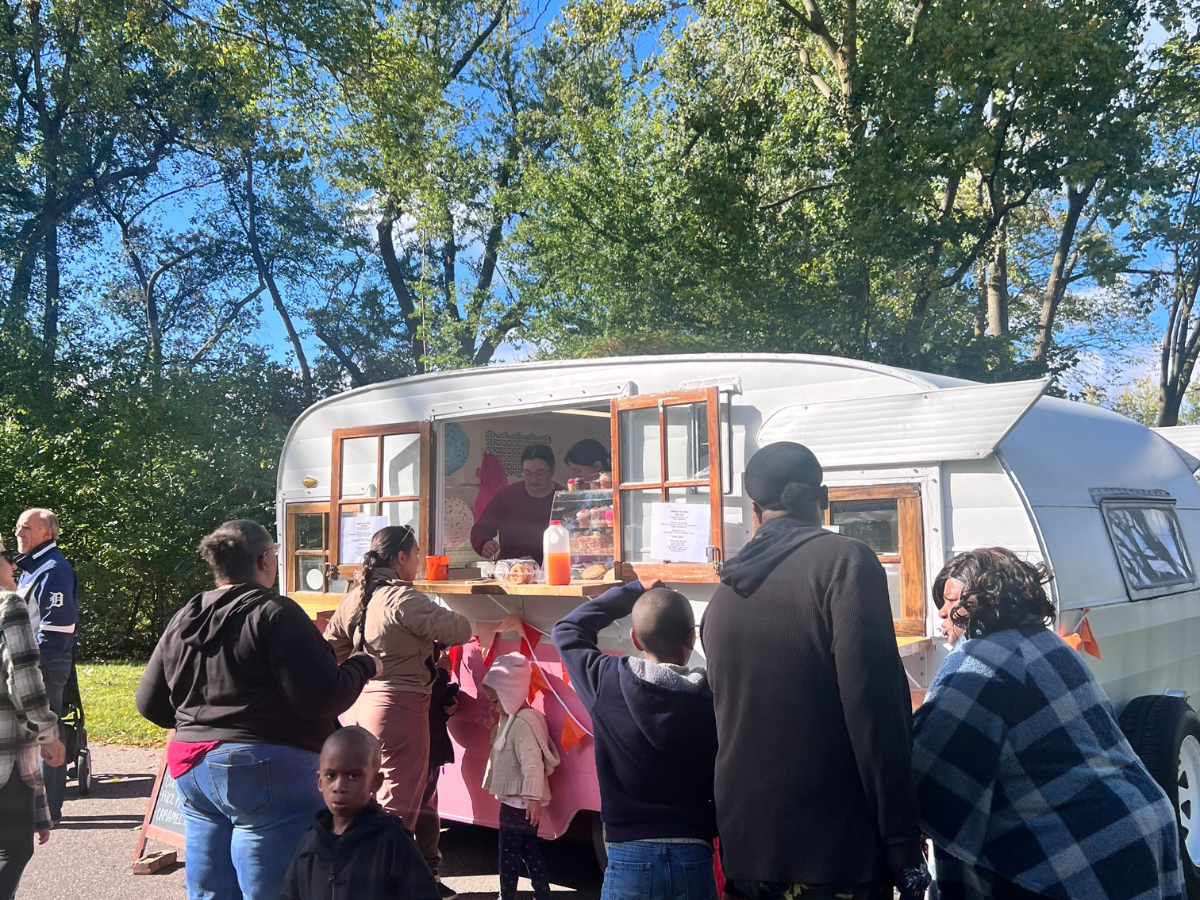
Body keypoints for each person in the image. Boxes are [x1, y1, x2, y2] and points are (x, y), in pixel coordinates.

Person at [700, 441, 929, 900]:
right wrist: (902, 842)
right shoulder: (845, 562)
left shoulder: (723, 593)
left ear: (754, 508)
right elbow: (874, 712)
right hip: (832, 849)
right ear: (818, 499)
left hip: (747, 842)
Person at [913, 549, 1186, 900]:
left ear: (985, 601)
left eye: (951, 601)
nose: (941, 612)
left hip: (1083, 844)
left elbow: (933, 771)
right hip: (1144, 820)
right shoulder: (1050, 646)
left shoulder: (977, 661)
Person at [136, 519, 381, 900]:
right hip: (265, 769)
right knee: (273, 891)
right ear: (266, 560)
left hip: (190, 768)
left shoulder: (185, 616)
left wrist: (199, 722)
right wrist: (364, 664)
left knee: (209, 892)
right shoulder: (276, 612)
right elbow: (321, 698)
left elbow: (148, 703)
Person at [553, 579, 719, 900]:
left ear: (635, 639)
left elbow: (568, 629)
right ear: (692, 637)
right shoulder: (713, 695)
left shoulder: (607, 681)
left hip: (628, 855)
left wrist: (634, 590)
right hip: (693, 854)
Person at [325, 525, 472, 833]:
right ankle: (381, 876)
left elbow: (331, 651)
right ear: (401, 557)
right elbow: (460, 629)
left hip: (358, 706)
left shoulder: (354, 598)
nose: (418, 562)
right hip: (400, 709)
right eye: (417, 555)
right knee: (397, 806)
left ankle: (360, 871)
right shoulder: (402, 599)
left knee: (364, 800)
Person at [280, 726, 440, 900]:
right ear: (320, 781)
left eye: (353, 776)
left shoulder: (392, 841)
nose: (339, 787)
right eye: (331, 776)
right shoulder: (310, 844)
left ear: (376, 782)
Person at [0, 538, 63, 900]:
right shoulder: (8, 604)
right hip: (5, 752)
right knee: (13, 849)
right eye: (9, 558)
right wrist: (47, 732)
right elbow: (23, 676)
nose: (14, 567)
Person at [13, 508, 77, 826]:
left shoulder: (54, 569)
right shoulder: (32, 567)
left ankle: (50, 809)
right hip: (32, 662)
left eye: (26, 528)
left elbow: (57, 631)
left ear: (47, 533)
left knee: (47, 730)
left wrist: (28, 664)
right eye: (17, 528)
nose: (19, 533)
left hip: (45, 663)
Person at [481, 653, 560, 900]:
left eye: (495, 701)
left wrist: (533, 797)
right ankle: (542, 893)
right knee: (528, 849)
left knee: (508, 853)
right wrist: (493, 727)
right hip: (522, 801)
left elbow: (532, 764)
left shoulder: (524, 724)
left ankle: (507, 895)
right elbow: (503, 746)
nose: (493, 706)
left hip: (518, 802)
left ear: (511, 695)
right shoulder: (511, 719)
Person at [470, 445, 564, 564]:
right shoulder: (506, 496)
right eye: (528, 473)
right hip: (511, 572)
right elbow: (481, 528)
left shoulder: (564, 498)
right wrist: (484, 543)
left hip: (554, 570)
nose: (533, 480)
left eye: (540, 473)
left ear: (552, 471)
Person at [416, 651, 460, 899]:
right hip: (412, 749)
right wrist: (442, 672)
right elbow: (421, 698)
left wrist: (447, 705)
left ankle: (430, 876)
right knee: (408, 814)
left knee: (428, 814)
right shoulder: (407, 655)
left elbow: (432, 708)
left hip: (430, 748)